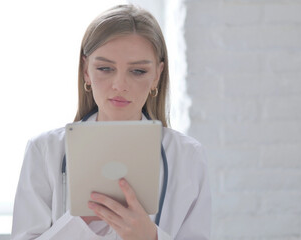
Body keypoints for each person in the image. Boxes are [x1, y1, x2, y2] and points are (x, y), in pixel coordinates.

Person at [11, 4, 211, 240]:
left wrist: (150, 237)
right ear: (86, 70)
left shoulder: (188, 156)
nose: (119, 85)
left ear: (157, 75)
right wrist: (81, 219)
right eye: (105, 68)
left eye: (137, 71)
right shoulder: (44, 151)